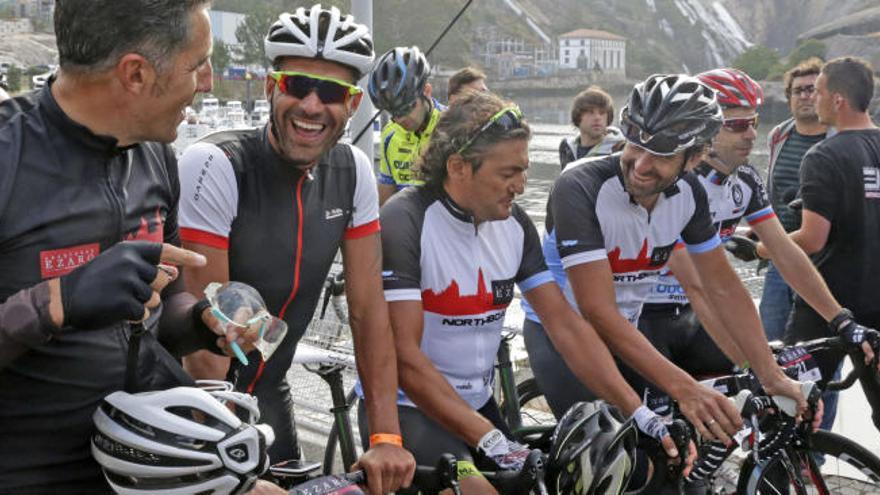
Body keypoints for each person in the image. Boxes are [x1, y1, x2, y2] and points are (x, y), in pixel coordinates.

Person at [366, 90, 686, 494]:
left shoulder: (515, 224)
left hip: (477, 404)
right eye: (507, 173)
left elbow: (564, 325)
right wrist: (491, 438)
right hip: (409, 408)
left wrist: (637, 412)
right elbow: (405, 358)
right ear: (459, 167)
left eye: (525, 170)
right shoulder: (406, 219)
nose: (521, 185)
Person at [0, 0, 258, 492]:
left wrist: (203, 322)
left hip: (145, 472)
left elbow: (165, 309)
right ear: (136, 74)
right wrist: (54, 304)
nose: (206, 82)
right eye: (197, 64)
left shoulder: (158, 156)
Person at [177, 5, 416, 494]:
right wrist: (231, 466)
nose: (311, 105)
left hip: (270, 393)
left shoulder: (352, 173)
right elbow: (208, 345)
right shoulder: (218, 163)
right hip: (197, 405)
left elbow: (369, 312)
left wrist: (386, 436)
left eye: (331, 93)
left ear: (352, 105)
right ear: (271, 89)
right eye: (296, 86)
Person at [523, 74, 816, 444]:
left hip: (625, 332)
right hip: (564, 334)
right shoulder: (579, 186)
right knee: (613, 458)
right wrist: (684, 388)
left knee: (671, 456)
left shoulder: (689, 193)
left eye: (661, 154)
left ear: (694, 158)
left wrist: (769, 373)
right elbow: (597, 310)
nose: (642, 165)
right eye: (635, 145)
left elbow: (722, 286)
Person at [639, 68, 848, 428]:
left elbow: (786, 252)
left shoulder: (746, 180)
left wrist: (840, 318)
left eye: (752, 122)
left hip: (689, 316)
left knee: (745, 415)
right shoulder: (676, 183)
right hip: (644, 317)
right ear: (703, 129)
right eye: (736, 125)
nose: (751, 133)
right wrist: (758, 366)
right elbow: (702, 285)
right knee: (657, 450)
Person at [761, 56, 880, 426]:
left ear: (839, 100)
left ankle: (783, 479)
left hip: (828, 305)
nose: (815, 99)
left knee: (793, 405)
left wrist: (764, 247)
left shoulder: (824, 156)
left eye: (821, 92)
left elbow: (812, 239)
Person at [759, 58, 829, 341]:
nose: (805, 96)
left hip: (823, 258)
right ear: (788, 98)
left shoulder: (839, 140)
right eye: (798, 90)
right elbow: (771, 190)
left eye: (812, 89)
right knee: (771, 340)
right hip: (781, 255)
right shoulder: (778, 135)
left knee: (819, 348)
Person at [369, 46, 446, 205]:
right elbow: (385, 200)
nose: (399, 119)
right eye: (392, 112)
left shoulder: (454, 127)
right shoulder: (390, 134)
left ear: (427, 91)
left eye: (406, 108)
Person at [558, 85, 625, 170]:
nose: (597, 118)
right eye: (590, 112)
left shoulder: (619, 150)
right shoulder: (567, 148)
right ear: (578, 117)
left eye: (602, 113)